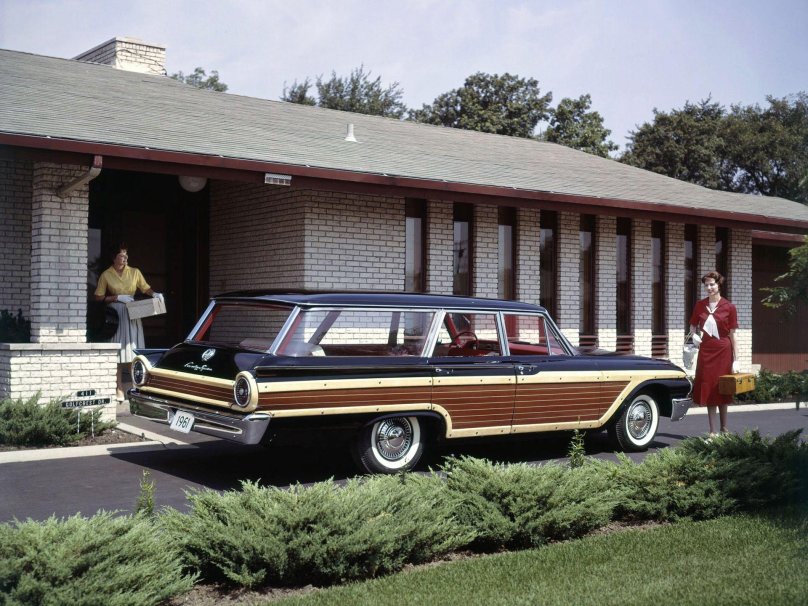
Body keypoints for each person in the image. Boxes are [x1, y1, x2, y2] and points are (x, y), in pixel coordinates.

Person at [94, 247, 163, 400]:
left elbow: (145, 288)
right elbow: (98, 297)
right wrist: (116, 297)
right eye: (121, 255)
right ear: (114, 258)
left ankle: (135, 386)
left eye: (126, 255)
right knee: (118, 353)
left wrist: (155, 294)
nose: (125, 258)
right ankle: (118, 388)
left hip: (133, 312)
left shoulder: (134, 272)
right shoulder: (106, 274)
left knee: (134, 351)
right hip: (116, 315)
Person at [688, 270, 739, 436]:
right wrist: (695, 335)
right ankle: (712, 431)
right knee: (709, 387)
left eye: (712, 284)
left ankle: (724, 429)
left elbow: (732, 335)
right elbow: (693, 325)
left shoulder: (729, 307)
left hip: (724, 351)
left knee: (722, 388)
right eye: (706, 285)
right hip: (706, 351)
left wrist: (736, 359)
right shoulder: (700, 305)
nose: (709, 287)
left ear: (719, 285)